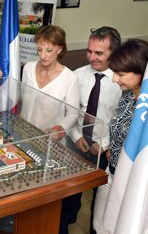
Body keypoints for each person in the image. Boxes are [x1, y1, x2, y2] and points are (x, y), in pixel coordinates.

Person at [61, 26, 122, 234]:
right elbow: (70, 111)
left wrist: (103, 144)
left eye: (99, 53)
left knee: (101, 200)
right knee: (70, 195)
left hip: (103, 150)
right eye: (89, 51)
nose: (92, 57)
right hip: (75, 144)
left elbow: (118, 120)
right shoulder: (76, 76)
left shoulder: (120, 82)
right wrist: (76, 136)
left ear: (113, 53)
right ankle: (68, 222)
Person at [93, 39, 148, 233]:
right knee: (100, 226)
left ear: (142, 72)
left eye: (121, 74)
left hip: (134, 184)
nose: (115, 79)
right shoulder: (126, 93)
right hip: (112, 172)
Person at [20, 25, 80, 139]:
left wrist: (60, 128)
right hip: (24, 133)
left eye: (49, 50)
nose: (43, 55)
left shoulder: (70, 78)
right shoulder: (28, 68)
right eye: (39, 49)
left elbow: (73, 114)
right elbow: (23, 101)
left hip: (51, 140)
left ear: (60, 49)